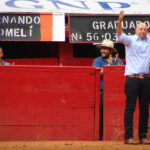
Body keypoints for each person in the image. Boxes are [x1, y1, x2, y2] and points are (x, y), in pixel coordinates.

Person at [116, 10, 150, 144]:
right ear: (136, 30)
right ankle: (128, 136)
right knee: (130, 108)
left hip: (146, 79)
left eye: (145, 29)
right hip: (132, 78)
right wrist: (119, 21)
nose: (143, 31)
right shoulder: (130, 40)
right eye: (141, 29)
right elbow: (119, 35)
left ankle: (142, 136)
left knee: (144, 108)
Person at [93, 39, 124, 140]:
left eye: (105, 49)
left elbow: (124, 76)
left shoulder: (118, 61)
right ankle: (101, 137)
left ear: (111, 51)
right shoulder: (97, 60)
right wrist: (109, 66)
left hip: (116, 94)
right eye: (102, 48)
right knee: (101, 116)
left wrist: (117, 66)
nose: (102, 50)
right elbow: (96, 75)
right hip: (102, 93)